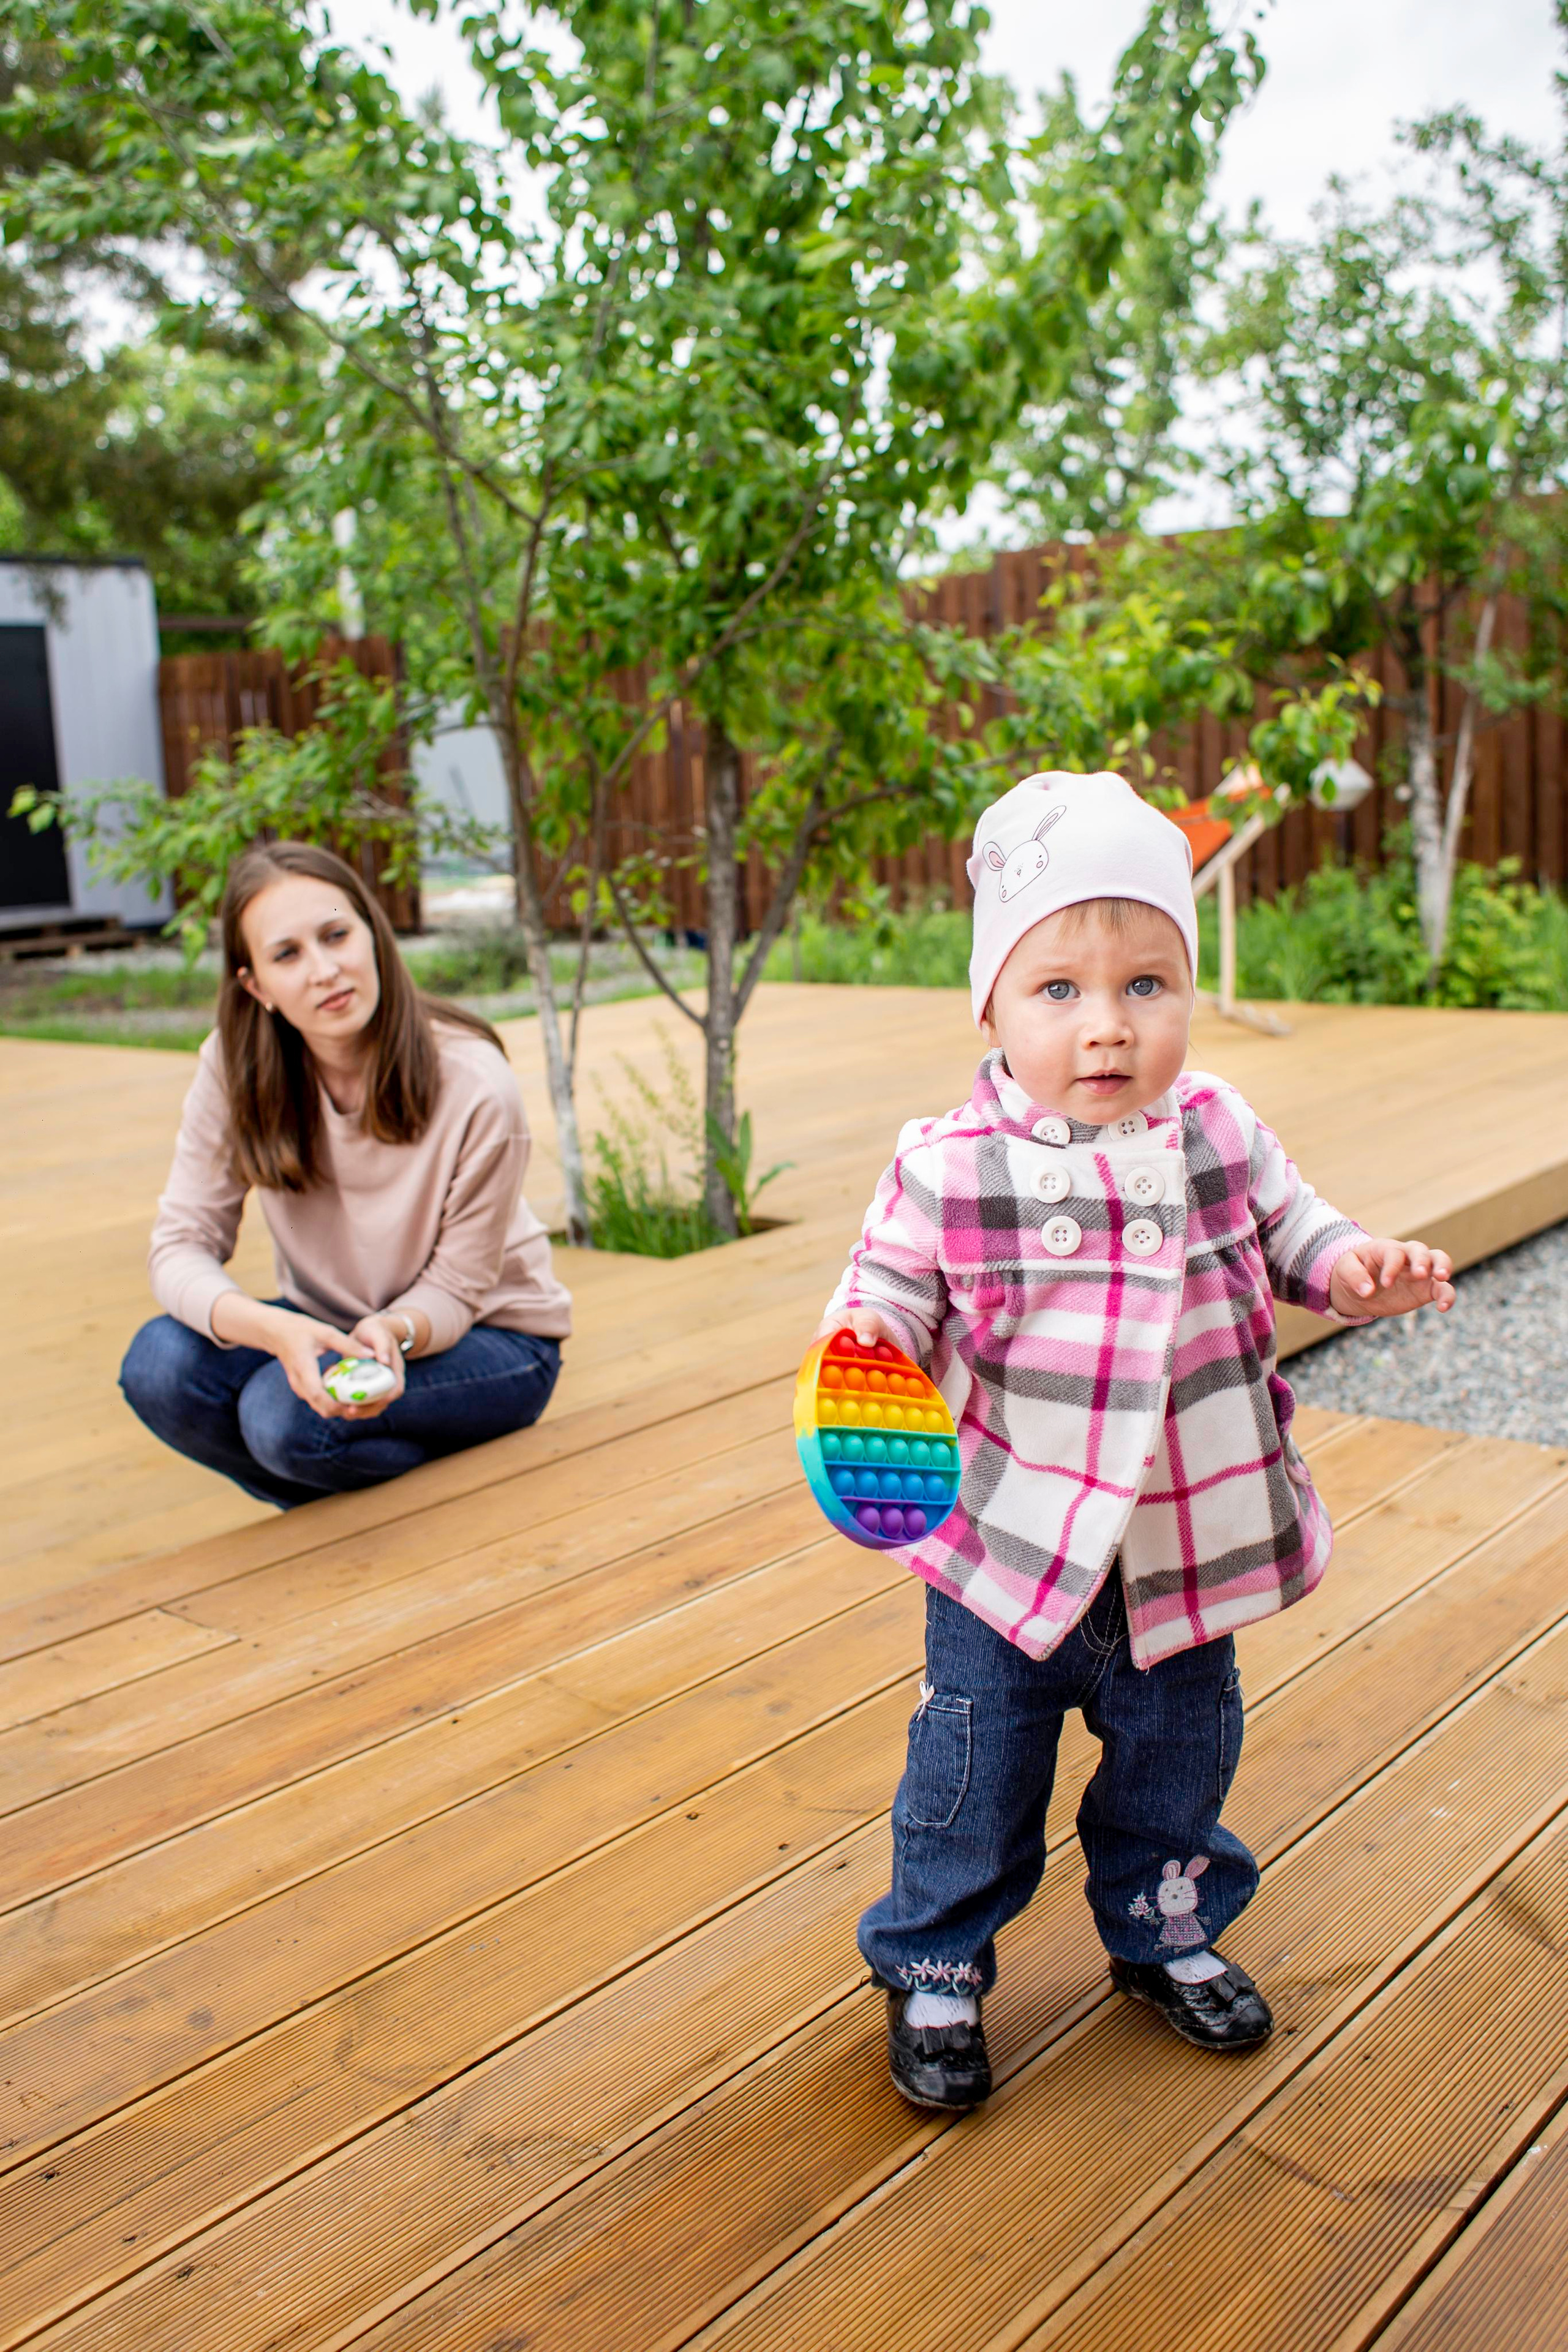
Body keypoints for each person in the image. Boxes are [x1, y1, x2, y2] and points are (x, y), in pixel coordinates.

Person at [819, 771, 1455, 2112]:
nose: (1106, 1028)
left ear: (1183, 991)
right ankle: (936, 1955)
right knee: (973, 1769)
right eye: (1057, 991)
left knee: (1177, 1757)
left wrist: (1353, 1268)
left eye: (1145, 986)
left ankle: (1161, 1920)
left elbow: (1299, 1233)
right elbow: (882, 1292)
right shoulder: (948, 1165)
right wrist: (866, 1357)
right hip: (1006, 1549)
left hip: (1180, 1538)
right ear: (986, 1003)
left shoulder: (1215, 1129)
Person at [121, 841, 571, 1509]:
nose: (325, 970)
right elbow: (180, 1245)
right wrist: (271, 1329)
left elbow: (456, 1289)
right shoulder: (234, 1068)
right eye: (287, 955)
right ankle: (362, 1502)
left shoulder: (474, 1082)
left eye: (337, 935)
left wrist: (388, 1333)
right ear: (255, 986)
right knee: (160, 1364)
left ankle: (405, 1508)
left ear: (374, 936)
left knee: (284, 1416)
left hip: (489, 1339)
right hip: (327, 1325)